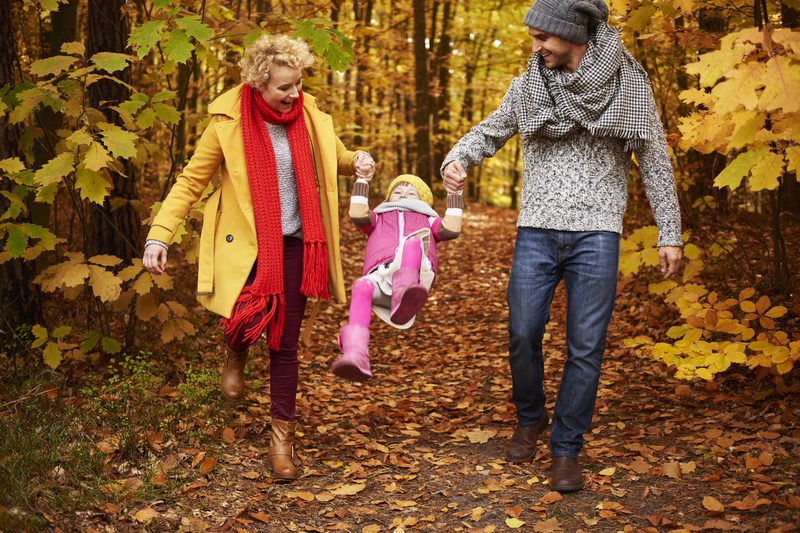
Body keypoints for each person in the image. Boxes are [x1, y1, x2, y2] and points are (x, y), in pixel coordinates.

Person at [441, 0, 683, 492]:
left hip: (598, 233)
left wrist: (669, 230)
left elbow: (654, 158)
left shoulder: (628, 85)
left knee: (585, 347)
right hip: (536, 228)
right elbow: (492, 129)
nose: (535, 48)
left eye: (541, 39)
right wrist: (460, 156)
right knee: (523, 333)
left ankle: (566, 446)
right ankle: (529, 417)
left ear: (572, 35)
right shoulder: (530, 84)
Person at [142, 34, 375, 480]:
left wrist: (356, 161)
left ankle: (280, 442)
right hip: (247, 243)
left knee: (286, 344)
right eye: (284, 87)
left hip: (297, 243)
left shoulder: (309, 114)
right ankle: (236, 350)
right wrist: (160, 234)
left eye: (298, 83)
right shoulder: (227, 121)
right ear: (258, 83)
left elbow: (335, 157)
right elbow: (191, 182)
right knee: (245, 315)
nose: (294, 94)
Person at [330, 175, 463, 381]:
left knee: (413, 243)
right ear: (388, 197)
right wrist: (362, 180)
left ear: (423, 200)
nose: (403, 195)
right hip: (382, 276)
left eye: (411, 192)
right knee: (361, 286)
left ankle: (405, 295)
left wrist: (454, 195)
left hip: (418, 272)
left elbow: (451, 229)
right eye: (397, 191)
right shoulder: (379, 217)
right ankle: (356, 353)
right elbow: (357, 214)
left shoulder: (427, 219)